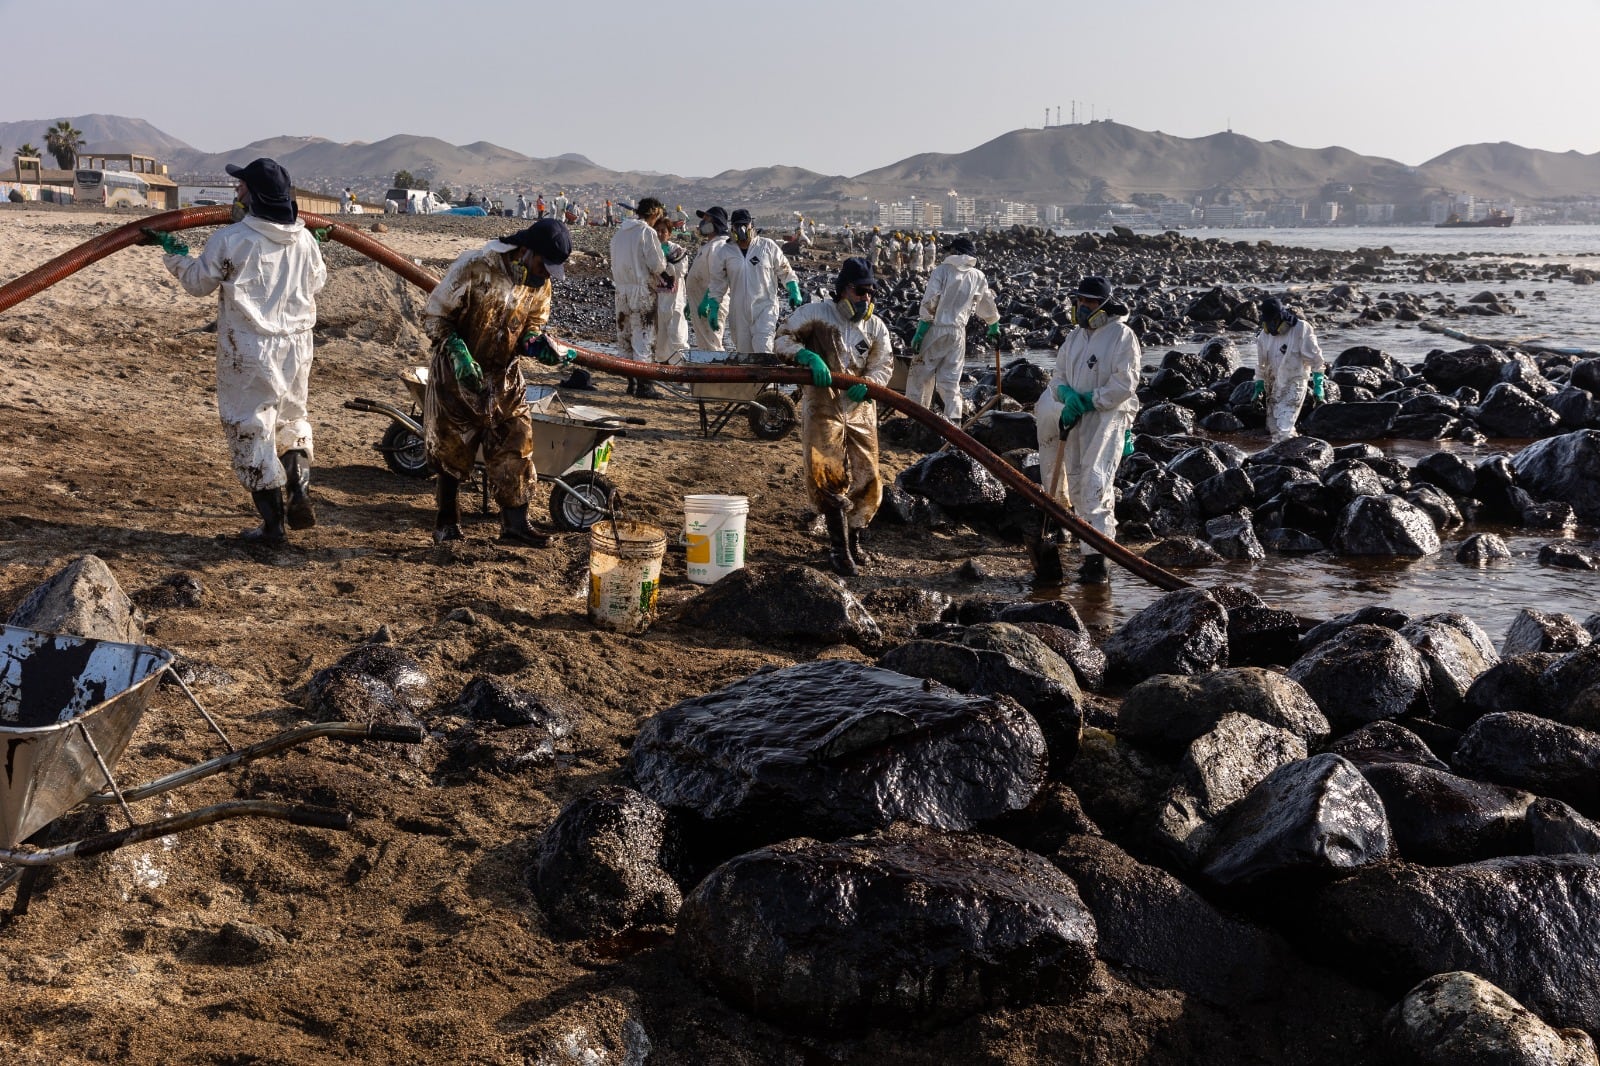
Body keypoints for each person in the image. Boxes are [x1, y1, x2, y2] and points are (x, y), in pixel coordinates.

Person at [144, 157, 327, 546]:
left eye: (241, 186)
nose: (235, 191)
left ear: (255, 196)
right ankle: (299, 491)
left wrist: (173, 252)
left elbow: (198, 283)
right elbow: (318, 282)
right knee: (292, 418)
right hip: (298, 345)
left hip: (249, 347)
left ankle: (273, 527)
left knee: (251, 427)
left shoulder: (231, 240)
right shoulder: (306, 240)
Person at [421, 217, 574, 547]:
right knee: (452, 450)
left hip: (504, 379)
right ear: (525, 250)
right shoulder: (476, 266)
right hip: (457, 376)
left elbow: (533, 323)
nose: (544, 274)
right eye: (541, 265)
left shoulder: (539, 284)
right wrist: (458, 352)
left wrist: (535, 344)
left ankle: (515, 526)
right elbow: (435, 316)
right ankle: (447, 522)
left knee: (516, 443)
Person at [774, 257, 894, 576]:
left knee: (868, 476)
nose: (865, 299)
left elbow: (883, 365)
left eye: (870, 293)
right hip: (823, 404)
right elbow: (782, 338)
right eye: (860, 292)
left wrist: (870, 384)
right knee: (826, 474)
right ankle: (838, 549)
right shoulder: (816, 314)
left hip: (860, 408)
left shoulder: (875, 327)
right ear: (843, 291)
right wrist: (806, 355)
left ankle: (855, 539)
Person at [1033, 276, 1141, 585]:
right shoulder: (1075, 338)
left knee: (1096, 483)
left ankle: (1099, 561)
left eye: (1089, 302)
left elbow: (1125, 384)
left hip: (1107, 418)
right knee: (1078, 482)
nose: (1082, 307)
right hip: (1077, 417)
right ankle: (1088, 554)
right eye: (1079, 301)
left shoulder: (1121, 335)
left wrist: (1091, 400)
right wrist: (1065, 396)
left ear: (1105, 305)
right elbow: (1059, 376)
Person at [909, 235, 1000, 422]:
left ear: (955, 252)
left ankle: (917, 417)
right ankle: (954, 422)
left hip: (936, 329)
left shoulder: (942, 271)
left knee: (921, 374)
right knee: (950, 382)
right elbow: (987, 303)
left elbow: (930, 301)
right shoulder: (977, 276)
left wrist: (920, 331)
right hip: (958, 333)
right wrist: (993, 325)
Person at [701, 208, 801, 354]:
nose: (742, 229)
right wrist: (714, 307)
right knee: (744, 354)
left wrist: (794, 289)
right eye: (737, 226)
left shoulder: (767, 246)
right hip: (739, 313)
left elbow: (784, 270)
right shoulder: (725, 252)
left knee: (763, 347)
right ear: (732, 228)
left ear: (751, 225)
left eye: (745, 225)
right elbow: (717, 283)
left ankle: (769, 377)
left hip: (765, 307)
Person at [610, 196, 669, 397]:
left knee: (624, 336)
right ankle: (645, 385)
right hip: (641, 290)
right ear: (654, 213)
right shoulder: (646, 232)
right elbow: (657, 264)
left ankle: (631, 383)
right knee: (644, 334)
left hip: (621, 291)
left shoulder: (619, 234)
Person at [1252, 296, 1326, 443]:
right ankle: (1290, 453)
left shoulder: (1300, 329)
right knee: (1274, 428)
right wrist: (1259, 386)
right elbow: (1261, 364)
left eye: (1273, 320)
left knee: (1284, 430)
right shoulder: (1263, 336)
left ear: (1281, 316)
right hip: (1272, 384)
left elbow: (1316, 358)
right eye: (1267, 321)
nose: (1271, 325)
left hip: (1294, 383)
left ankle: (1293, 457)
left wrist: (1318, 385)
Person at [685, 206, 730, 351]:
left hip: (710, 304)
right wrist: (690, 301)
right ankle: (707, 369)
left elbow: (718, 277)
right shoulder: (710, 245)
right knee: (705, 344)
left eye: (706, 220)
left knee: (713, 344)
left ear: (716, 223)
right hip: (700, 303)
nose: (702, 223)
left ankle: (718, 371)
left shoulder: (719, 246)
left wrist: (706, 300)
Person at [652, 214, 690, 364]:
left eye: (663, 231)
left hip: (675, 302)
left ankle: (683, 371)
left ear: (669, 233)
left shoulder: (678, 251)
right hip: (658, 302)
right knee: (659, 340)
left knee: (678, 338)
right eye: (658, 231)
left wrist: (665, 263)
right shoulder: (651, 251)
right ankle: (664, 370)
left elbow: (681, 271)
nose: (660, 234)